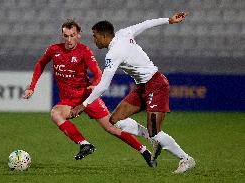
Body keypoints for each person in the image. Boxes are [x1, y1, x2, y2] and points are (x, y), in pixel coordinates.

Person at [70, 12, 196, 174]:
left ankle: (186, 159)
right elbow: (146, 23)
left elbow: (104, 85)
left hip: (156, 85)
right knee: (114, 119)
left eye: (95, 36)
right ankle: (152, 137)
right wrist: (168, 20)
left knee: (156, 131)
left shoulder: (113, 53)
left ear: (103, 36)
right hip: (142, 87)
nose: (94, 39)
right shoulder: (124, 33)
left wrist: (84, 104)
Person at [23, 19, 155, 166]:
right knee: (56, 113)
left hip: (87, 98)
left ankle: (144, 151)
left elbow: (98, 73)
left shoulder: (84, 51)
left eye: (72, 35)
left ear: (78, 35)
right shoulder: (54, 50)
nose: (69, 39)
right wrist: (32, 87)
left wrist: (94, 85)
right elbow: (41, 64)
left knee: (111, 127)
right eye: (65, 36)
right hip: (68, 101)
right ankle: (84, 144)